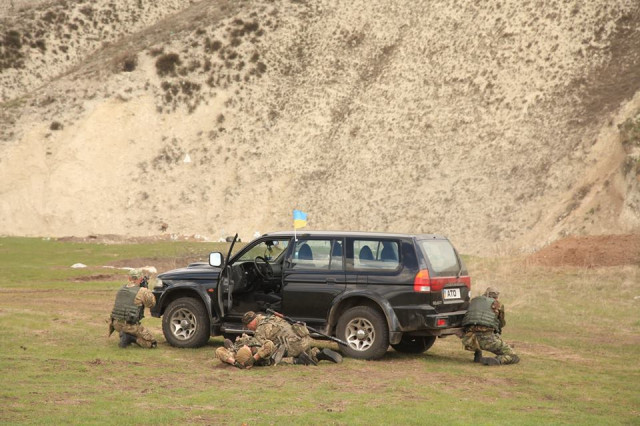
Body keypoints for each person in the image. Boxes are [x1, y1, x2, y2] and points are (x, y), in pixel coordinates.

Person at [217, 311, 342, 368]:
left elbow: (261, 345)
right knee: (284, 345)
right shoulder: (271, 317)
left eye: (248, 326)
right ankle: (318, 355)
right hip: (304, 340)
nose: (249, 328)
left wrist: (251, 357)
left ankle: (297, 360)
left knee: (274, 355)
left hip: (292, 346)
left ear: (251, 322)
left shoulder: (261, 328)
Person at [461, 286, 519, 366]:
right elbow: (501, 324)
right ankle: (497, 360)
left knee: (477, 328)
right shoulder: (497, 305)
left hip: (469, 340)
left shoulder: (474, 302)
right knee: (513, 356)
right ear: (496, 297)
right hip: (487, 341)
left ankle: (477, 354)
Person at [108, 268, 157, 348]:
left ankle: (125, 334)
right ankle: (130, 338)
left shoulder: (121, 289)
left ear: (129, 278)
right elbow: (151, 304)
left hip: (116, 324)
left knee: (127, 328)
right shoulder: (142, 291)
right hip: (130, 325)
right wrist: (146, 289)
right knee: (152, 344)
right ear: (140, 279)